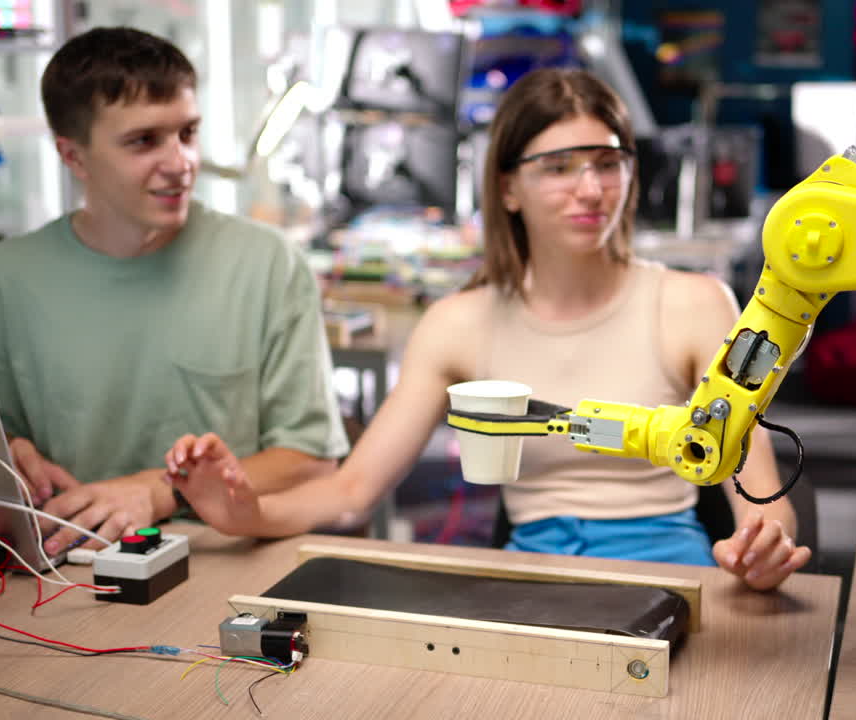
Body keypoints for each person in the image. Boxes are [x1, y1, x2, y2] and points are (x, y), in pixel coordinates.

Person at [166, 68, 811, 590]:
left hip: (675, 576)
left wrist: (765, 545)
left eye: (607, 162)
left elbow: (760, 494)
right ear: (507, 187)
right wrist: (245, 513)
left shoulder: (696, 304)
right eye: (559, 167)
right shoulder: (458, 325)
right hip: (529, 580)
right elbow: (351, 492)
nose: (591, 189)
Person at [0, 27, 349, 555]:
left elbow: (309, 456)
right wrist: (11, 454)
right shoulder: (11, 273)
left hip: (228, 556)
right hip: (67, 560)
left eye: (187, 133)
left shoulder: (267, 263)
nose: (180, 162)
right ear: (72, 156)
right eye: (144, 141)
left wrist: (155, 490)